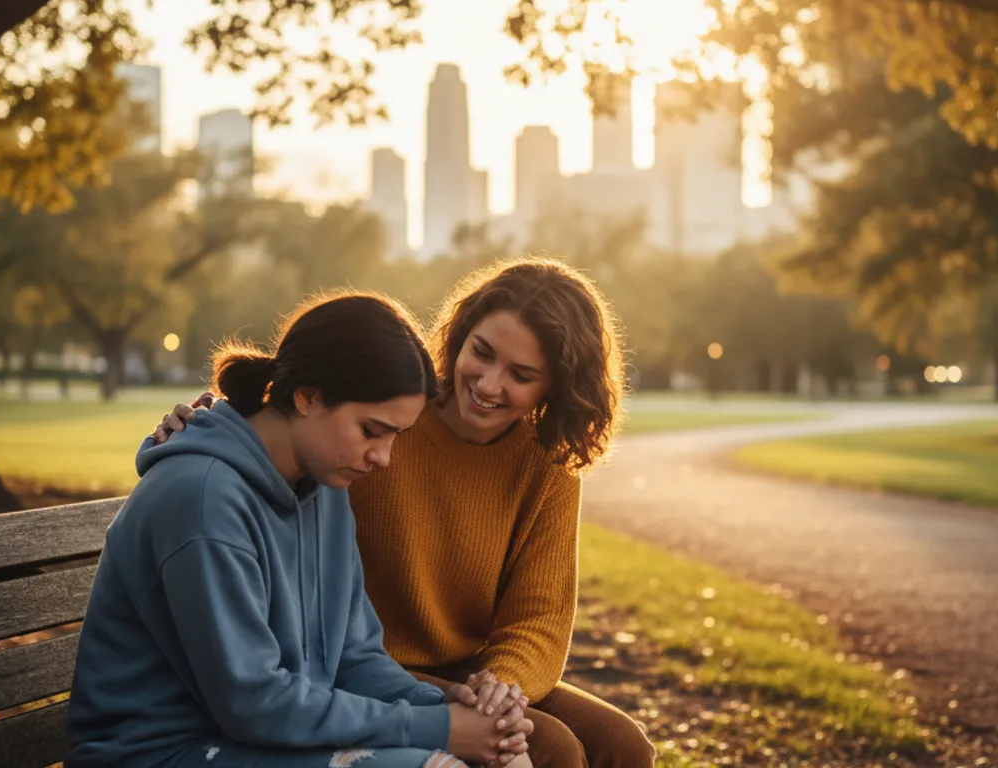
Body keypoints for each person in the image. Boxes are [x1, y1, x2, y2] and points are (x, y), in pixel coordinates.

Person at [153, 258, 655, 768]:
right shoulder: (391, 414)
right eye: (481, 352)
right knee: (552, 748)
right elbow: (291, 412)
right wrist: (196, 428)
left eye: (521, 375)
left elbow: (540, 614)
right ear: (460, 335)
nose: (488, 383)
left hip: (468, 669)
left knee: (622, 745)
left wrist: (500, 687)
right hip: (366, 660)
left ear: (556, 386)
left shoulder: (546, 461)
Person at [67, 292, 535, 768]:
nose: (384, 457)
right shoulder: (202, 500)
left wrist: (457, 712)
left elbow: (355, 660)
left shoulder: (325, 487)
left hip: (258, 737)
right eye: (372, 430)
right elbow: (253, 702)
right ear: (308, 396)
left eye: (397, 435)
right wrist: (441, 730)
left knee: (506, 758)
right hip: (160, 753)